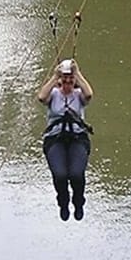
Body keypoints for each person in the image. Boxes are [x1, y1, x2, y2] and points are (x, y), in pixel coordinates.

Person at [36, 58, 94, 220]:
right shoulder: (53, 94)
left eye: (71, 80)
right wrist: (55, 77)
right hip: (55, 139)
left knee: (76, 174)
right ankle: (63, 202)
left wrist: (78, 74)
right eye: (65, 80)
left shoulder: (78, 95)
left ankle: (78, 201)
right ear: (60, 82)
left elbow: (89, 94)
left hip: (77, 139)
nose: (68, 83)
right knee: (60, 175)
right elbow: (41, 97)